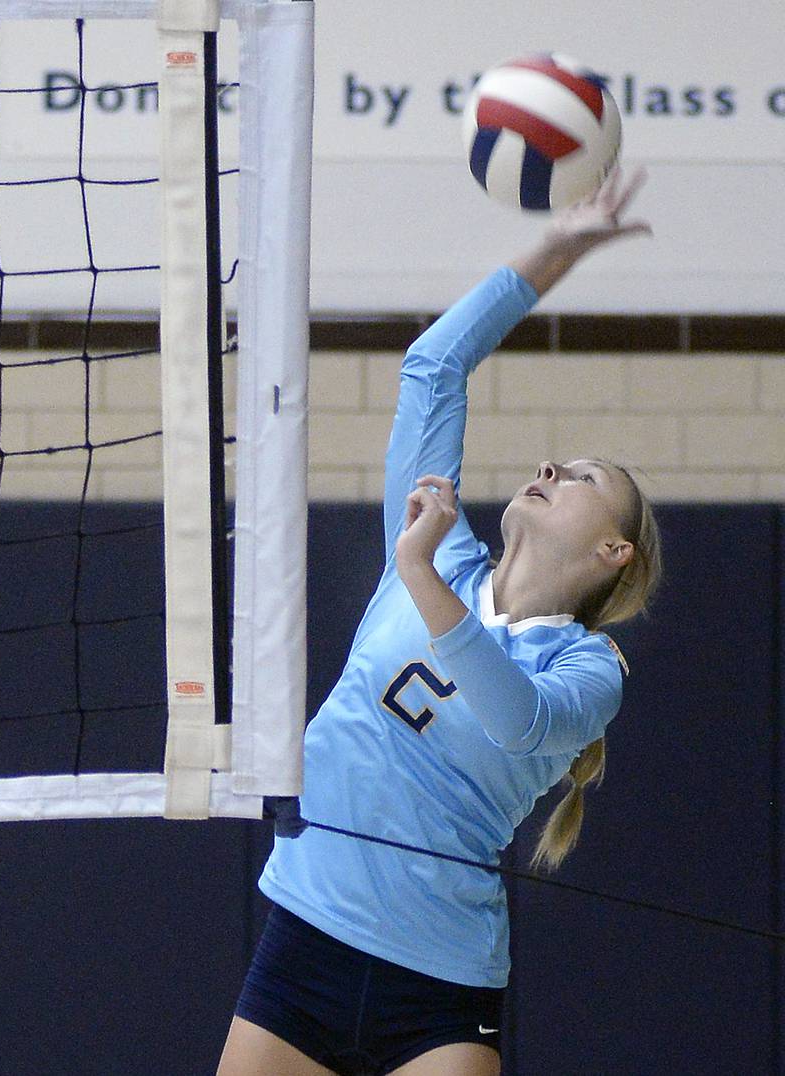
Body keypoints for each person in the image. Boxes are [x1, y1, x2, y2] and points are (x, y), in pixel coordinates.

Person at [217, 169, 662, 1076]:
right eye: (559, 460)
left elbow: (517, 719)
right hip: (308, 937)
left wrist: (420, 571)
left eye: (583, 477)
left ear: (614, 551)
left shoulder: (590, 667)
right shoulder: (430, 552)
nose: (551, 466)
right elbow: (434, 365)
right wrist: (551, 255)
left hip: (443, 985)